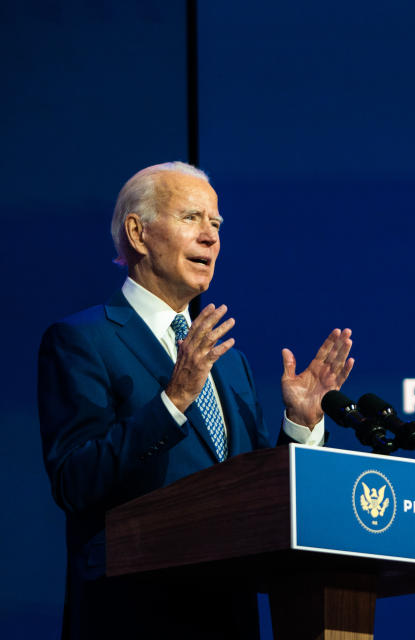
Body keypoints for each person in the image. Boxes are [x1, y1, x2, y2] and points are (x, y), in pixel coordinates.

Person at [37, 162, 354, 639]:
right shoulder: (83, 340)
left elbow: (257, 493)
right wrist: (174, 399)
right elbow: (75, 482)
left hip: (228, 616)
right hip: (131, 615)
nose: (210, 237)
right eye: (191, 218)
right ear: (138, 233)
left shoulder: (229, 362)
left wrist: (301, 425)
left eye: (217, 224)